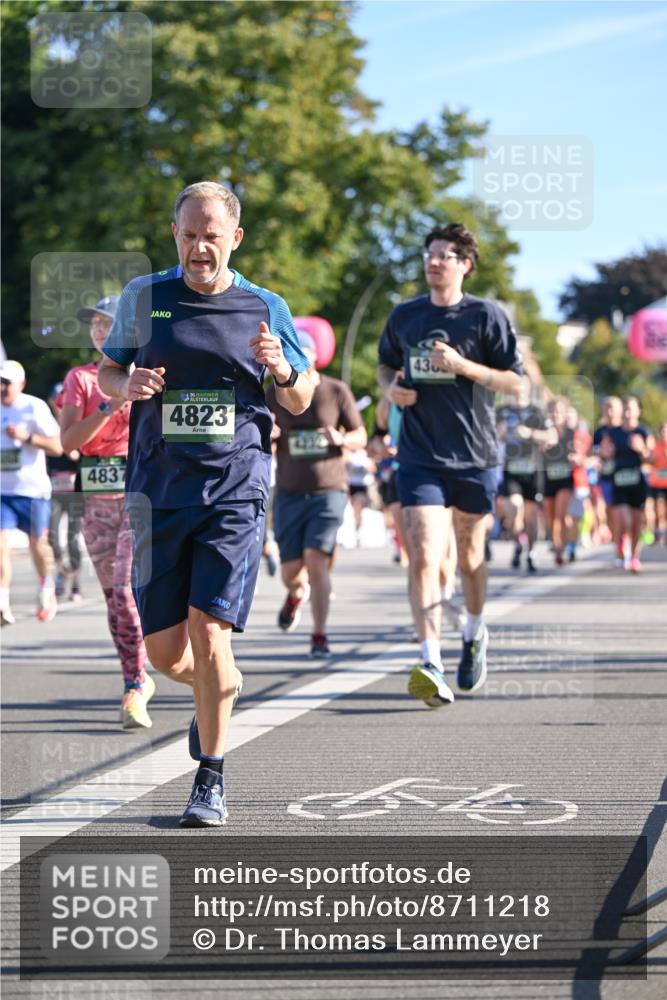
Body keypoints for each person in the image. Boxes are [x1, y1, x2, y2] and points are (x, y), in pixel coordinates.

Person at [98, 181, 313, 826]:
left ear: (235, 238)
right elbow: (108, 371)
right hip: (159, 488)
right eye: (188, 235)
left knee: (210, 629)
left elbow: (300, 398)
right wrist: (126, 384)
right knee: (166, 655)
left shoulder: (265, 306)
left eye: (211, 237)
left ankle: (210, 779)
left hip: (234, 488)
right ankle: (217, 690)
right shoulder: (146, 298)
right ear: (175, 234)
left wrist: (282, 370)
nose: (198, 248)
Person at [377, 223, 523, 708]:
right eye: (430, 255)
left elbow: (516, 384)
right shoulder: (405, 316)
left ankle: (475, 632)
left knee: (470, 557)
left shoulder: (486, 316)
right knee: (422, 553)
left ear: (465, 264)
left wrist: (463, 367)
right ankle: (431, 661)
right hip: (420, 456)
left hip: (475, 455)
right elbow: (385, 364)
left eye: (445, 255)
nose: (434, 262)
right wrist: (390, 389)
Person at [59, 295, 154, 729]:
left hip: (140, 496)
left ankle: (152, 672)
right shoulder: (80, 378)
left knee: (126, 588)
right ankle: (135, 680)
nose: (100, 330)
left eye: (108, 324)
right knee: (114, 596)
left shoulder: (150, 374)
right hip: (95, 499)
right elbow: (68, 442)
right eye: (95, 324)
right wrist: (108, 405)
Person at [267, 330, 366, 658]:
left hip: (329, 490)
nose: (296, 359)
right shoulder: (274, 392)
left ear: (314, 357)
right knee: (291, 573)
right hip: (289, 492)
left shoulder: (336, 390)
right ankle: (296, 595)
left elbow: (361, 435)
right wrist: (268, 433)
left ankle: (319, 635)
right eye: (290, 353)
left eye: (302, 353)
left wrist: (342, 439)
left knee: (316, 560)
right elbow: (260, 433)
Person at [1, 359, 62, 624]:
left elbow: (58, 447)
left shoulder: (34, 407)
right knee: (0, 546)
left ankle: (46, 587)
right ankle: (2, 602)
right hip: (2, 492)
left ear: (21, 384)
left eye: (7, 383)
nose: (2, 388)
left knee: (38, 545)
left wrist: (27, 438)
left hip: (33, 491)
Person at [497, 381, 547, 573]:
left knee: (531, 516)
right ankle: (519, 541)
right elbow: (489, 436)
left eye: (522, 387)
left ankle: (531, 551)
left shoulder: (536, 411)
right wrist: (499, 433)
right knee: (514, 507)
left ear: (528, 390)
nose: (518, 392)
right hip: (511, 469)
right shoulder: (502, 411)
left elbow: (551, 436)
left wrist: (530, 433)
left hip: (533, 470)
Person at [605, 395, 654, 572]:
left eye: (631, 409)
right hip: (619, 480)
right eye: (625, 409)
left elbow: (652, 458)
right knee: (623, 520)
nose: (628, 413)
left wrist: (642, 449)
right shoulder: (613, 432)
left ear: (638, 412)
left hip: (637, 482)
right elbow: (603, 452)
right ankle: (621, 543)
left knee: (636, 522)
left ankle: (634, 557)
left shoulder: (643, 432)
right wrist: (606, 452)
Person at [46, 382, 84, 602]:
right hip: (54, 491)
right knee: (51, 537)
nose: (59, 407)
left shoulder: (78, 425)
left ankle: (75, 582)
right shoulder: (46, 425)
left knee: (73, 539)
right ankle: (63, 572)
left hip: (75, 491)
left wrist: (69, 448)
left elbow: (80, 457)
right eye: (56, 402)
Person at [592, 396, 623, 561]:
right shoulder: (599, 432)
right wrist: (600, 453)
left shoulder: (624, 430)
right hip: (606, 478)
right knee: (610, 513)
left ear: (620, 410)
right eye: (606, 407)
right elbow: (592, 452)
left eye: (612, 407)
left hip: (623, 478)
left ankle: (626, 541)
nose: (609, 411)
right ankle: (618, 546)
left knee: (624, 513)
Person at [647, 422, 667, 545]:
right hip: (658, 484)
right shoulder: (656, 446)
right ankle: (658, 533)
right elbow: (649, 460)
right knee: (659, 509)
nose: (665, 433)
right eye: (663, 431)